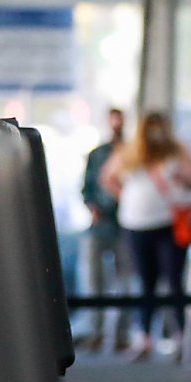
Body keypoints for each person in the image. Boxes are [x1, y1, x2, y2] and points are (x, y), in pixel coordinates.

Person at [103, 111, 191, 361]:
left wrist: (181, 178)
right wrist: (124, 197)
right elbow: (108, 178)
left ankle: (180, 336)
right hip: (136, 224)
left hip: (168, 223)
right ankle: (143, 336)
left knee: (174, 280)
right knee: (145, 282)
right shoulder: (129, 152)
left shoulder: (177, 151)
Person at [78, 107, 127, 351]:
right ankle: (94, 331)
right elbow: (87, 186)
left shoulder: (130, 153)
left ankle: (119, 334)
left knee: (124, 282)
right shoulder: (97, 155)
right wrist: (92, 207)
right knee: (93, 281)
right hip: (100, 224)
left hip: (124, 224)